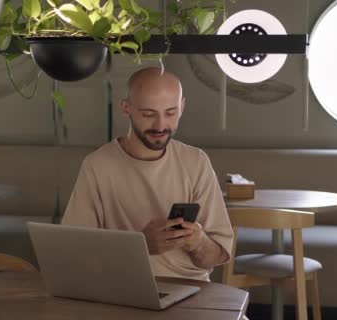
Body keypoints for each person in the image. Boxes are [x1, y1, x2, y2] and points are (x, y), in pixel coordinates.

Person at [62, 67, 233, 281]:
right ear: (126, 108)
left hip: (190, 289)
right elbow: (73, 252)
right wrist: (140, 245)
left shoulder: (196, 162)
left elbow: (214, 258)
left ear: (182, 107)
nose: (160, 125)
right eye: (148, 114)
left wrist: (198, 242)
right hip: (122, 287)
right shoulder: (97, 165)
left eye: (170, 113)